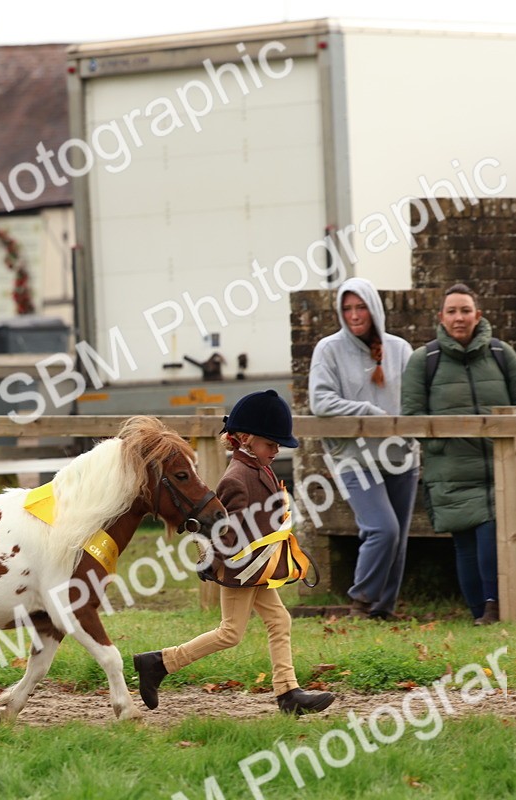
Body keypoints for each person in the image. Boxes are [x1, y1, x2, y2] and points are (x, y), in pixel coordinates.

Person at [132, 389, 335, 716]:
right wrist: (213, 562)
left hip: (258, 569)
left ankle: (288, 693)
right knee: (230, 632)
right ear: (244, 439)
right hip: (239, 571)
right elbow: (223, 532)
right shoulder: (237, 478)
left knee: (279, 619)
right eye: (271, 444)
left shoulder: (261, 468)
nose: (276, 450)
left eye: (277, 445)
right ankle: (158, 663)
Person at [400, 284, 516, 624]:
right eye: (452, 311)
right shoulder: (424, 360)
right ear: (441, 317)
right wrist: (443, 448)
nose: (459, 318)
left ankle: (493, 606)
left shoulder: (501, 354)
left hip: (500, 470)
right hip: (452, 472)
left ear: (478, 315)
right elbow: (411, 418)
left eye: (465, 310)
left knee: (490, 533)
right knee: (464, 542)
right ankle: (480, 612)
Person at [309, 277, 419, 620]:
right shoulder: (328, 349)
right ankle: (361, 601)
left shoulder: (400, 349)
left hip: (401, 455)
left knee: (398, 537)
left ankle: (382, 610)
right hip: (353, 457)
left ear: (374, 308)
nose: (354, 314)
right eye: (347, 308)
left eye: (360, 307)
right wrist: (368, 413)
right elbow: (320, 400)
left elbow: (416, 398)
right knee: (382, 529)